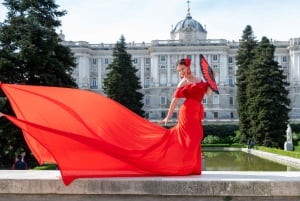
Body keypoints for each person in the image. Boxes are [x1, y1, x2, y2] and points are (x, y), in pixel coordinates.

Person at [0, 61, 213, 185]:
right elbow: (175, 99)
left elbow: (207, 93)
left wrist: (209, 85)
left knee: (195, 138)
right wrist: (167, 117)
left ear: (188, 67)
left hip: (197, 113)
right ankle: (183, 166)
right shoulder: (183, 82)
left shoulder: (201, 82)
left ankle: (192, 167)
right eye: (179, 70)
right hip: (186, 112)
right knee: (185, 137)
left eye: (182, 69)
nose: (181, 72)